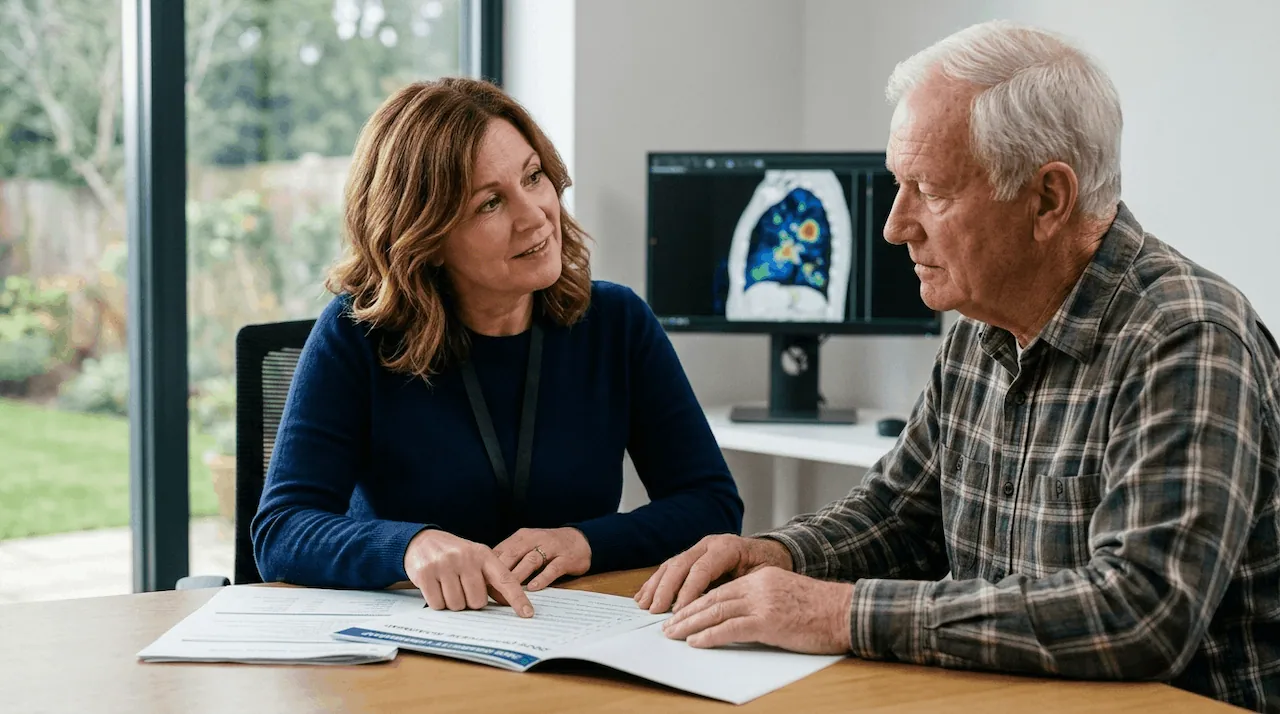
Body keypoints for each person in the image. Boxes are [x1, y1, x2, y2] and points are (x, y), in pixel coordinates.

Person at [637, 20, 1280, 711]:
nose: (893, 225)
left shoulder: (1187, 338)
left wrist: (836, 613)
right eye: (897, 185)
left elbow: (1139, 614)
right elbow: (900, 517)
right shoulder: (980, 330)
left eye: (931, 191)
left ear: (1048, 200)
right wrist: (778, 557)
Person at [252, 77, 744, 617]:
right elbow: (283, 529)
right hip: (413, 646)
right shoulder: (356, 333)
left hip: (572, 632)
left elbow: (712, 505)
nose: (535, 214)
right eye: (490, 203)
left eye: (534, 177)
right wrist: (410, 546)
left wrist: (585, 542)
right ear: (427, 237)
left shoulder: (617, 322)